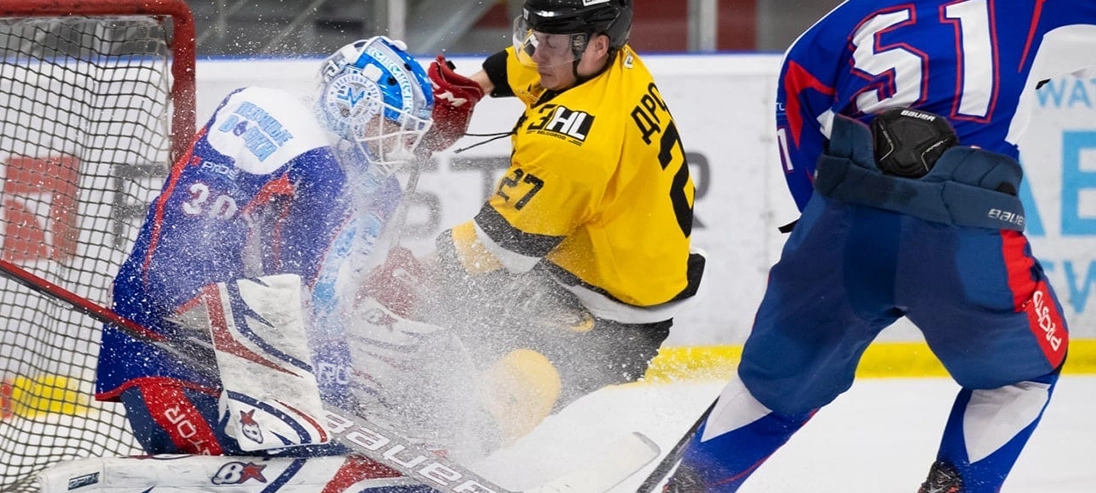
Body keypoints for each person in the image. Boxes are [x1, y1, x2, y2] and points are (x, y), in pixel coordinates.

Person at [610, 0, 1094, 493]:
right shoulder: (1034, 9)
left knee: (775, 384)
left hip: (840, 226)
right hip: (963, 232)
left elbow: (796, 94)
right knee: (1022, 373)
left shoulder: (846, 17)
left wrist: (817, 210)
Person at [95, 35, 435, 456]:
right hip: (162, 357)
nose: (399, 142)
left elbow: (306, 291)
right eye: (392, 122)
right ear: (352, 102)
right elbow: (302, 287)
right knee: (297, 455)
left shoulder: (314, 151)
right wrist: (329, 390)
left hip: (205, 350)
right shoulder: (314, 161)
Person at [421, 0, 705, 444]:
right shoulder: (604, 62)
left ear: (596, 45)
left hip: (613, 315)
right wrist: (472, 88)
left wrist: (398, 273)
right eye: (534, 37)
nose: (536, 55)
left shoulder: (575, 143)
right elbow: (514, 65)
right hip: (579, 276)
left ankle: (452, 450)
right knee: (447, 321)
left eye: (550, 43)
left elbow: (488, 252)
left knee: (521, 370)